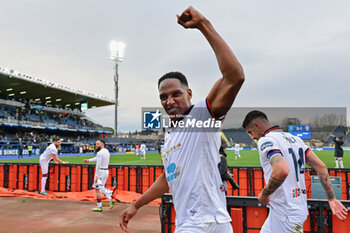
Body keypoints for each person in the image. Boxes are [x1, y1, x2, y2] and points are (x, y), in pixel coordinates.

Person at [119, 6, 244, 233]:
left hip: (206, 223)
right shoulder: (169, 138)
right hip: (200, 223)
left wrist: (203, 25)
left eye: (176, 94)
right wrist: (136, 205)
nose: (169, 101)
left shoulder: (201, 115)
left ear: (189, 94)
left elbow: (235, 76)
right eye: (163, 97)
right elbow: (168, 178)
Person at [242, 110, 348, 232]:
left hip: (286, 213)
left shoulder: (266, 140)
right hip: (285, 210)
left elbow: (282, 170)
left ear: (256, 125)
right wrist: (331, 198)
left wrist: (264, 194)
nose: (252, 137)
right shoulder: (296, 139)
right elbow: (321, 167)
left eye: (250, 132)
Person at [83, 139, 115, 212]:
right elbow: (97, 159)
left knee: (98, 188)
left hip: (100, 172)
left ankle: (104, 202)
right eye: (96, 144)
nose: (96, 145)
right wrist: (89, 160)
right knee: (99, 188)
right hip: (106, 171)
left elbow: (98, 164)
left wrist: (97, 175)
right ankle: (108, 200)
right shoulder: (106, 151)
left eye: (98, 144)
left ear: (102, 144)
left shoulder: (100, 152)